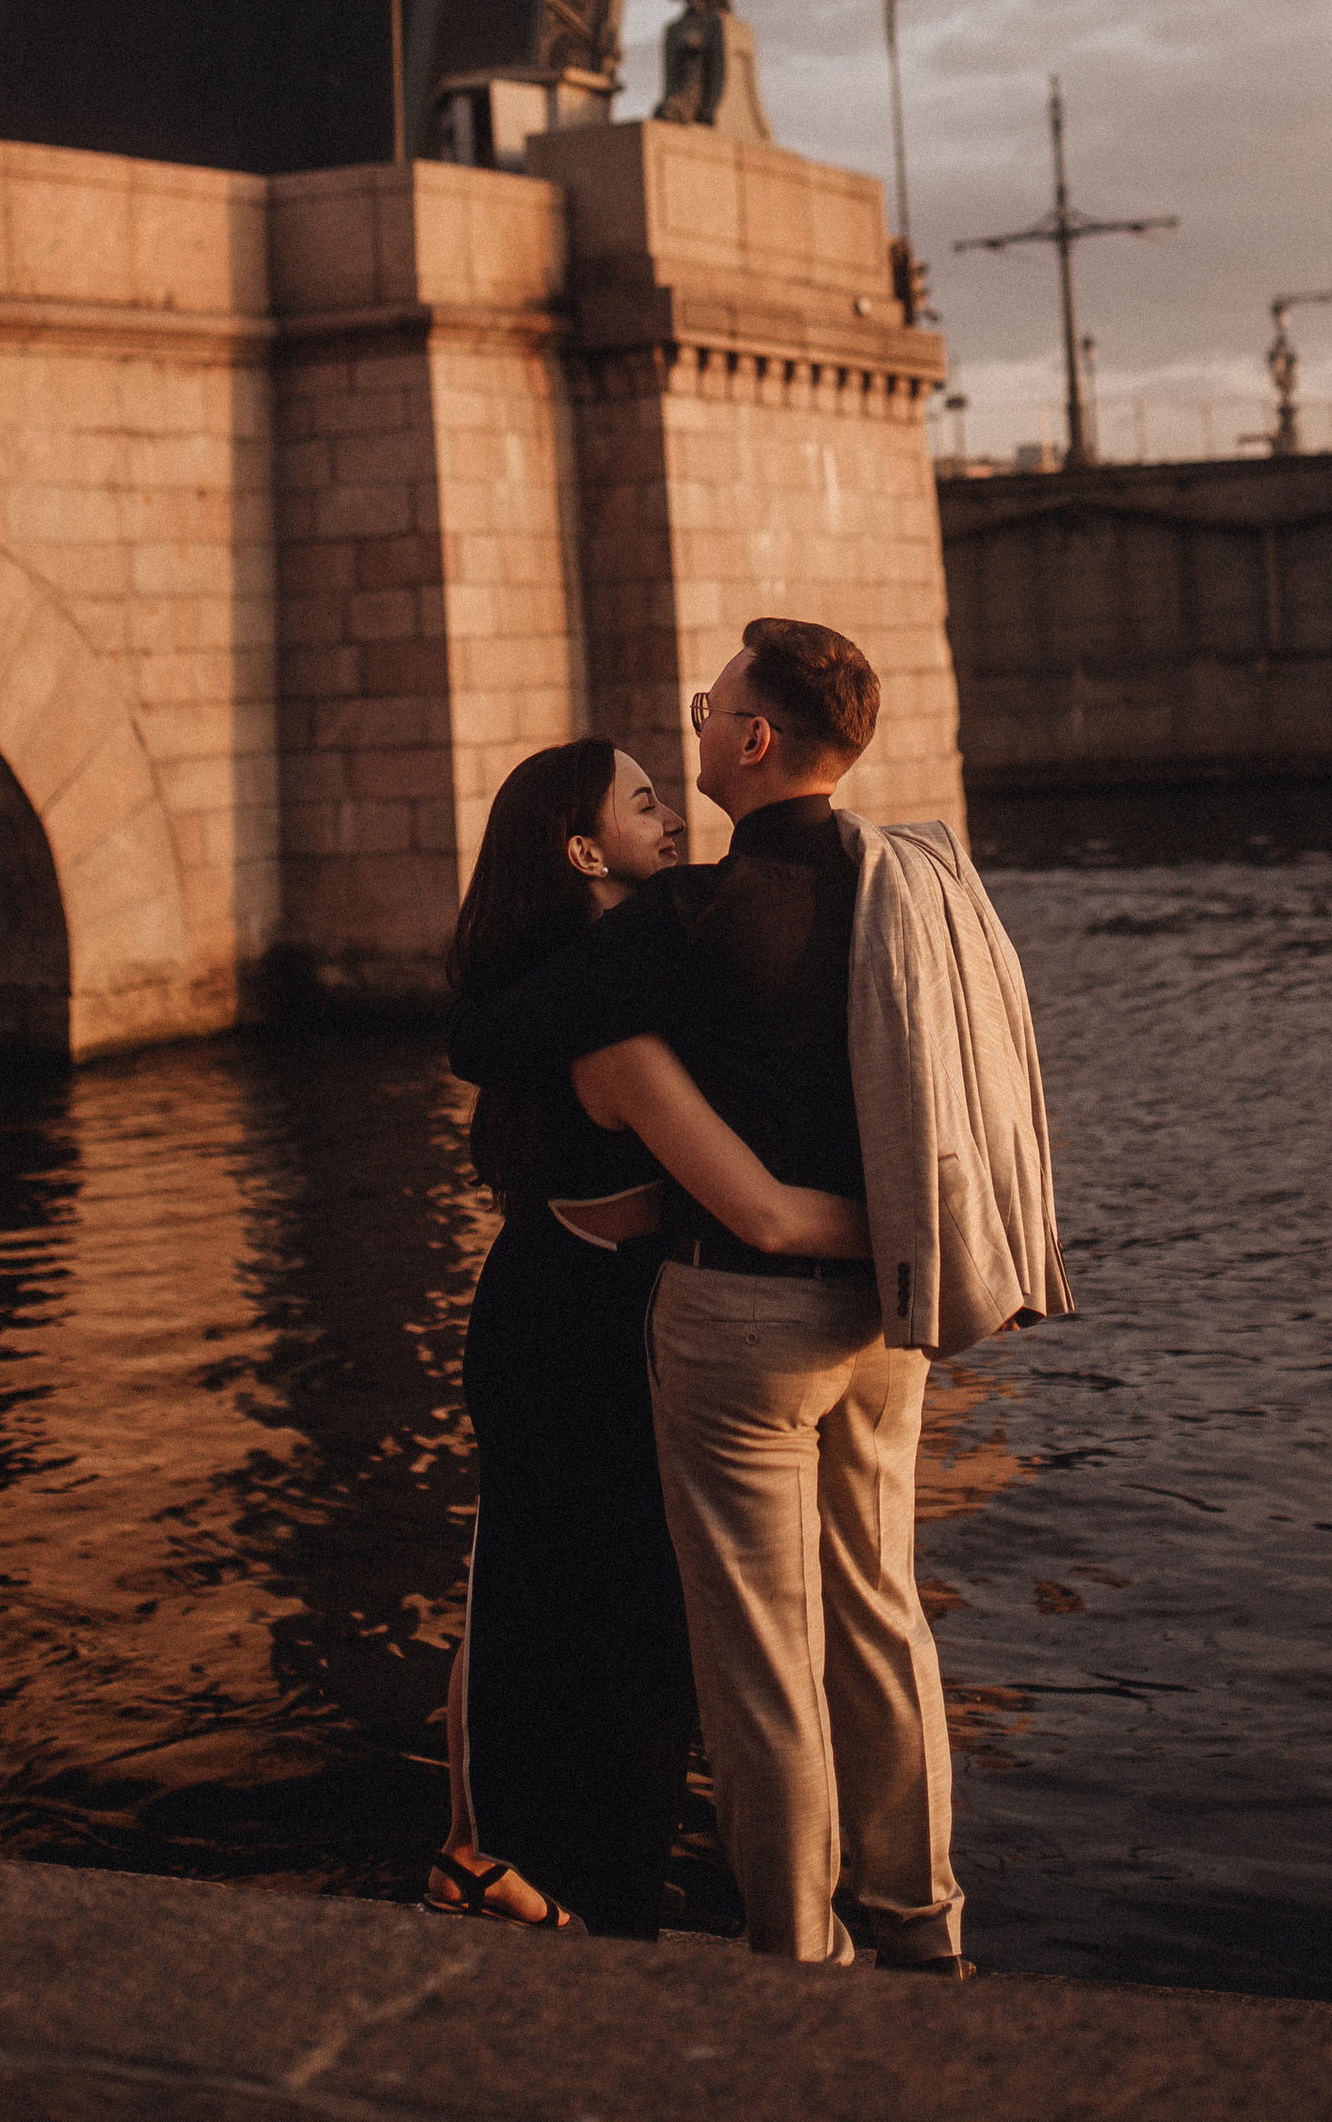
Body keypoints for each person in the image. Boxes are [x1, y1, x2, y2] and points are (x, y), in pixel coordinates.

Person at [446, 620, 1067, 1973]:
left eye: (709, 707)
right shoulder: (912, 878)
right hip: (891, 1324)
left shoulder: (695, 917)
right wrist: (936, 1234)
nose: (697, 728)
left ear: (755, 738)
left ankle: (798, 1951)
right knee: (884, 1618)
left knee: (762, 1666)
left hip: (744, 1322)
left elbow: (483, 1038)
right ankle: (921, 1922)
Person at [431, 736, 868, 1939]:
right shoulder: (603, 1025)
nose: (670, 813)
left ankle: (556, 1872)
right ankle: (513, 1868)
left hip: (599, 1309)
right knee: (551, 1606)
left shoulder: (625, 972)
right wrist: (938, 1232)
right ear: (583, 852)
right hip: (566, 1331)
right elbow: (764, 1213)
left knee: (589, 1607)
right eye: (641, 801)